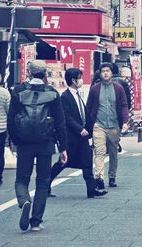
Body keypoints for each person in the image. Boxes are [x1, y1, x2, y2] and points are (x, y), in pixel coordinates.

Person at [7, 60, 68, 232]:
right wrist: (63, 148)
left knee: (21, 179)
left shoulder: (19, 91)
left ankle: (24, 200)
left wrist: (16, 141)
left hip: (25, 143)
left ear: (29, 72)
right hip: (45, 143)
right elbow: (60, 123)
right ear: (45, 74)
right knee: (42, 181)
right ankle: (36, 221)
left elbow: (11, 120)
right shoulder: (52, 93)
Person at [49, 68, 108, 198]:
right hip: (72, 137)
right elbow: (67, 116)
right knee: (63, 162)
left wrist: (90, 127)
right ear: (73, 80)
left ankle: (91, 189)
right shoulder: (65, 96)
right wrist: (79, 129)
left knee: (87, 162)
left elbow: (84, 113)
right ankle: (46, 184)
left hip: (82, 137)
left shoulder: (78, 94)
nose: (81, 80)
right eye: (79, 78)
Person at [86, 62, 129, 189]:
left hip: (114, 125)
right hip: (99, 125)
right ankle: (99, 177)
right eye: (103, 71)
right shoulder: (94, 89)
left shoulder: (118, 88)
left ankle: (112, 177)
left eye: (107, 71)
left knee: (113, 153)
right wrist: (88, 123)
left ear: (111, 73)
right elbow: (89, 107)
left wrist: (125, 122)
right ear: (100, 73)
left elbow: (124, 105)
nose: (105, 73)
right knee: (99, 152)